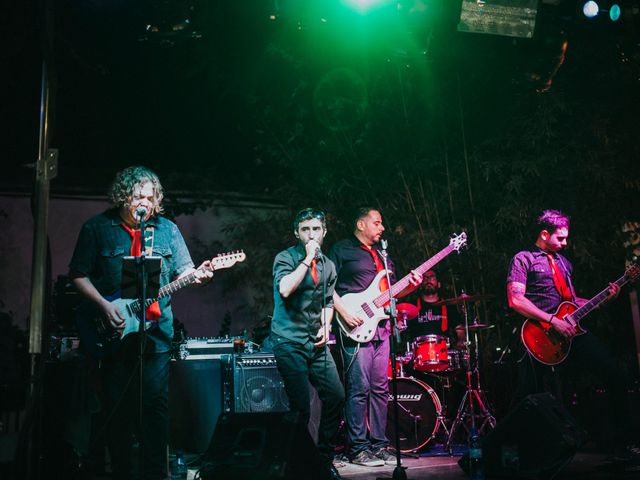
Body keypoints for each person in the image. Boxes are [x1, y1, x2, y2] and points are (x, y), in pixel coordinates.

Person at [69, 166, 213, 479]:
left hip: (157, 334)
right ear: (123, 197)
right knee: (117, 406)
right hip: (114, 331)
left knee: (156, 406)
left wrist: (200, 276)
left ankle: (154, 474)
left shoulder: (167, 230)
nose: (144, 202)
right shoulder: (98, 228)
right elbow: (78, 274)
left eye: (149, 197)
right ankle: (120, 471)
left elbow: (185, 273)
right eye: (137, 197)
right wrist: (105, 306)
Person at [506, 209, 634, 458]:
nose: (565, 243)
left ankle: (622, 446)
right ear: (545, 234)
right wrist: (552, 320)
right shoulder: (524, 259)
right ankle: (515, 450)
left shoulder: (564, 263)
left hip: (571, 332)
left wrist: (605, 298)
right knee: (527, 394)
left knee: (615, 373)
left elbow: (573, 303)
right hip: (540, 335)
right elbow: (516, 300)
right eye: (561, 238)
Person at [329, 207, 422, 466]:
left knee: (381, 388)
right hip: (354, 326)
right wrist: (344, 312)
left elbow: (389, 295)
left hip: (381, 328)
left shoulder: (383, 255)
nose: (382, 228)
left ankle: (379, 445)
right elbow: (325, 284)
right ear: (361, 224)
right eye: (377, 222)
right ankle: (357, 448)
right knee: (359, 388)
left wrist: (410, 287)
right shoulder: (342, 249)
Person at [270, 208, 345, 480]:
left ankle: (323, 460)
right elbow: (285, 289)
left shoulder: (329, 266)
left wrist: (326, 324)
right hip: (288, 340)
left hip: (315, 343)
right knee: (301, 407)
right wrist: (307, 259)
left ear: (324, 232)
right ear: (296, 233)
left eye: (315, 229)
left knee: (336, 397)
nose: (310, 234)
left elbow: (327, 302)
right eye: (305, 230)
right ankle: (298, 464)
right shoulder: (285, 258)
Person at [405, 269, 465, 348]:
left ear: (439, 284)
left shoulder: (448, 306)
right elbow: (400, 327)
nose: (428, 281)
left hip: (443, 352)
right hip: (419, 353)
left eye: (432, 278)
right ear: (420, 284)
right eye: (425, 278)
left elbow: (459, 328)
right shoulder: (411, 306)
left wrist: (460, 341)